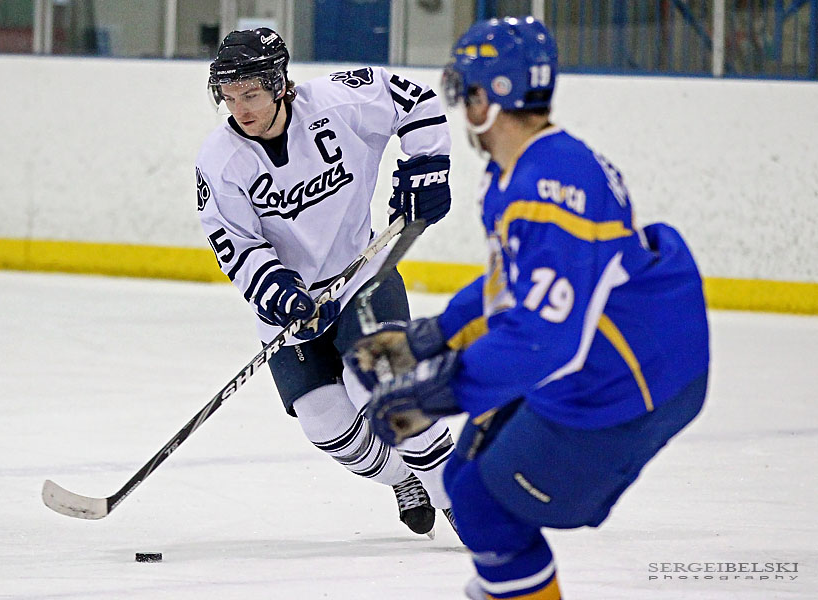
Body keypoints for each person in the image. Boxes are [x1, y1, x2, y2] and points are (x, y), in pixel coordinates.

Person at [347, 17, 710, 599]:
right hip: (610, 356)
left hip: (630, 381)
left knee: (484, 505)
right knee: (466, 474)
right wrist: (430, 337)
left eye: (465, 90)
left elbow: (545, 336)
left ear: (493, 96)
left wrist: (440, 390)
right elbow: (512, 288)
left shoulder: (547, 186)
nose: (460, 104)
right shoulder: (523, 169)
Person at [195, 27, 457, 536]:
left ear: (280, 84)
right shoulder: (220, 161)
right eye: (229, 97)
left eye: (250, 93)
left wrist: (428, 164)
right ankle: (408, 477)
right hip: (290, 305)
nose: (240, 108)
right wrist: (277, 291)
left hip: (363, 276)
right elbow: (236, 245)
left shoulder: (339, 101)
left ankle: (458, 497)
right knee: (324, 422)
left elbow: (416, 100)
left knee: (381, 387)